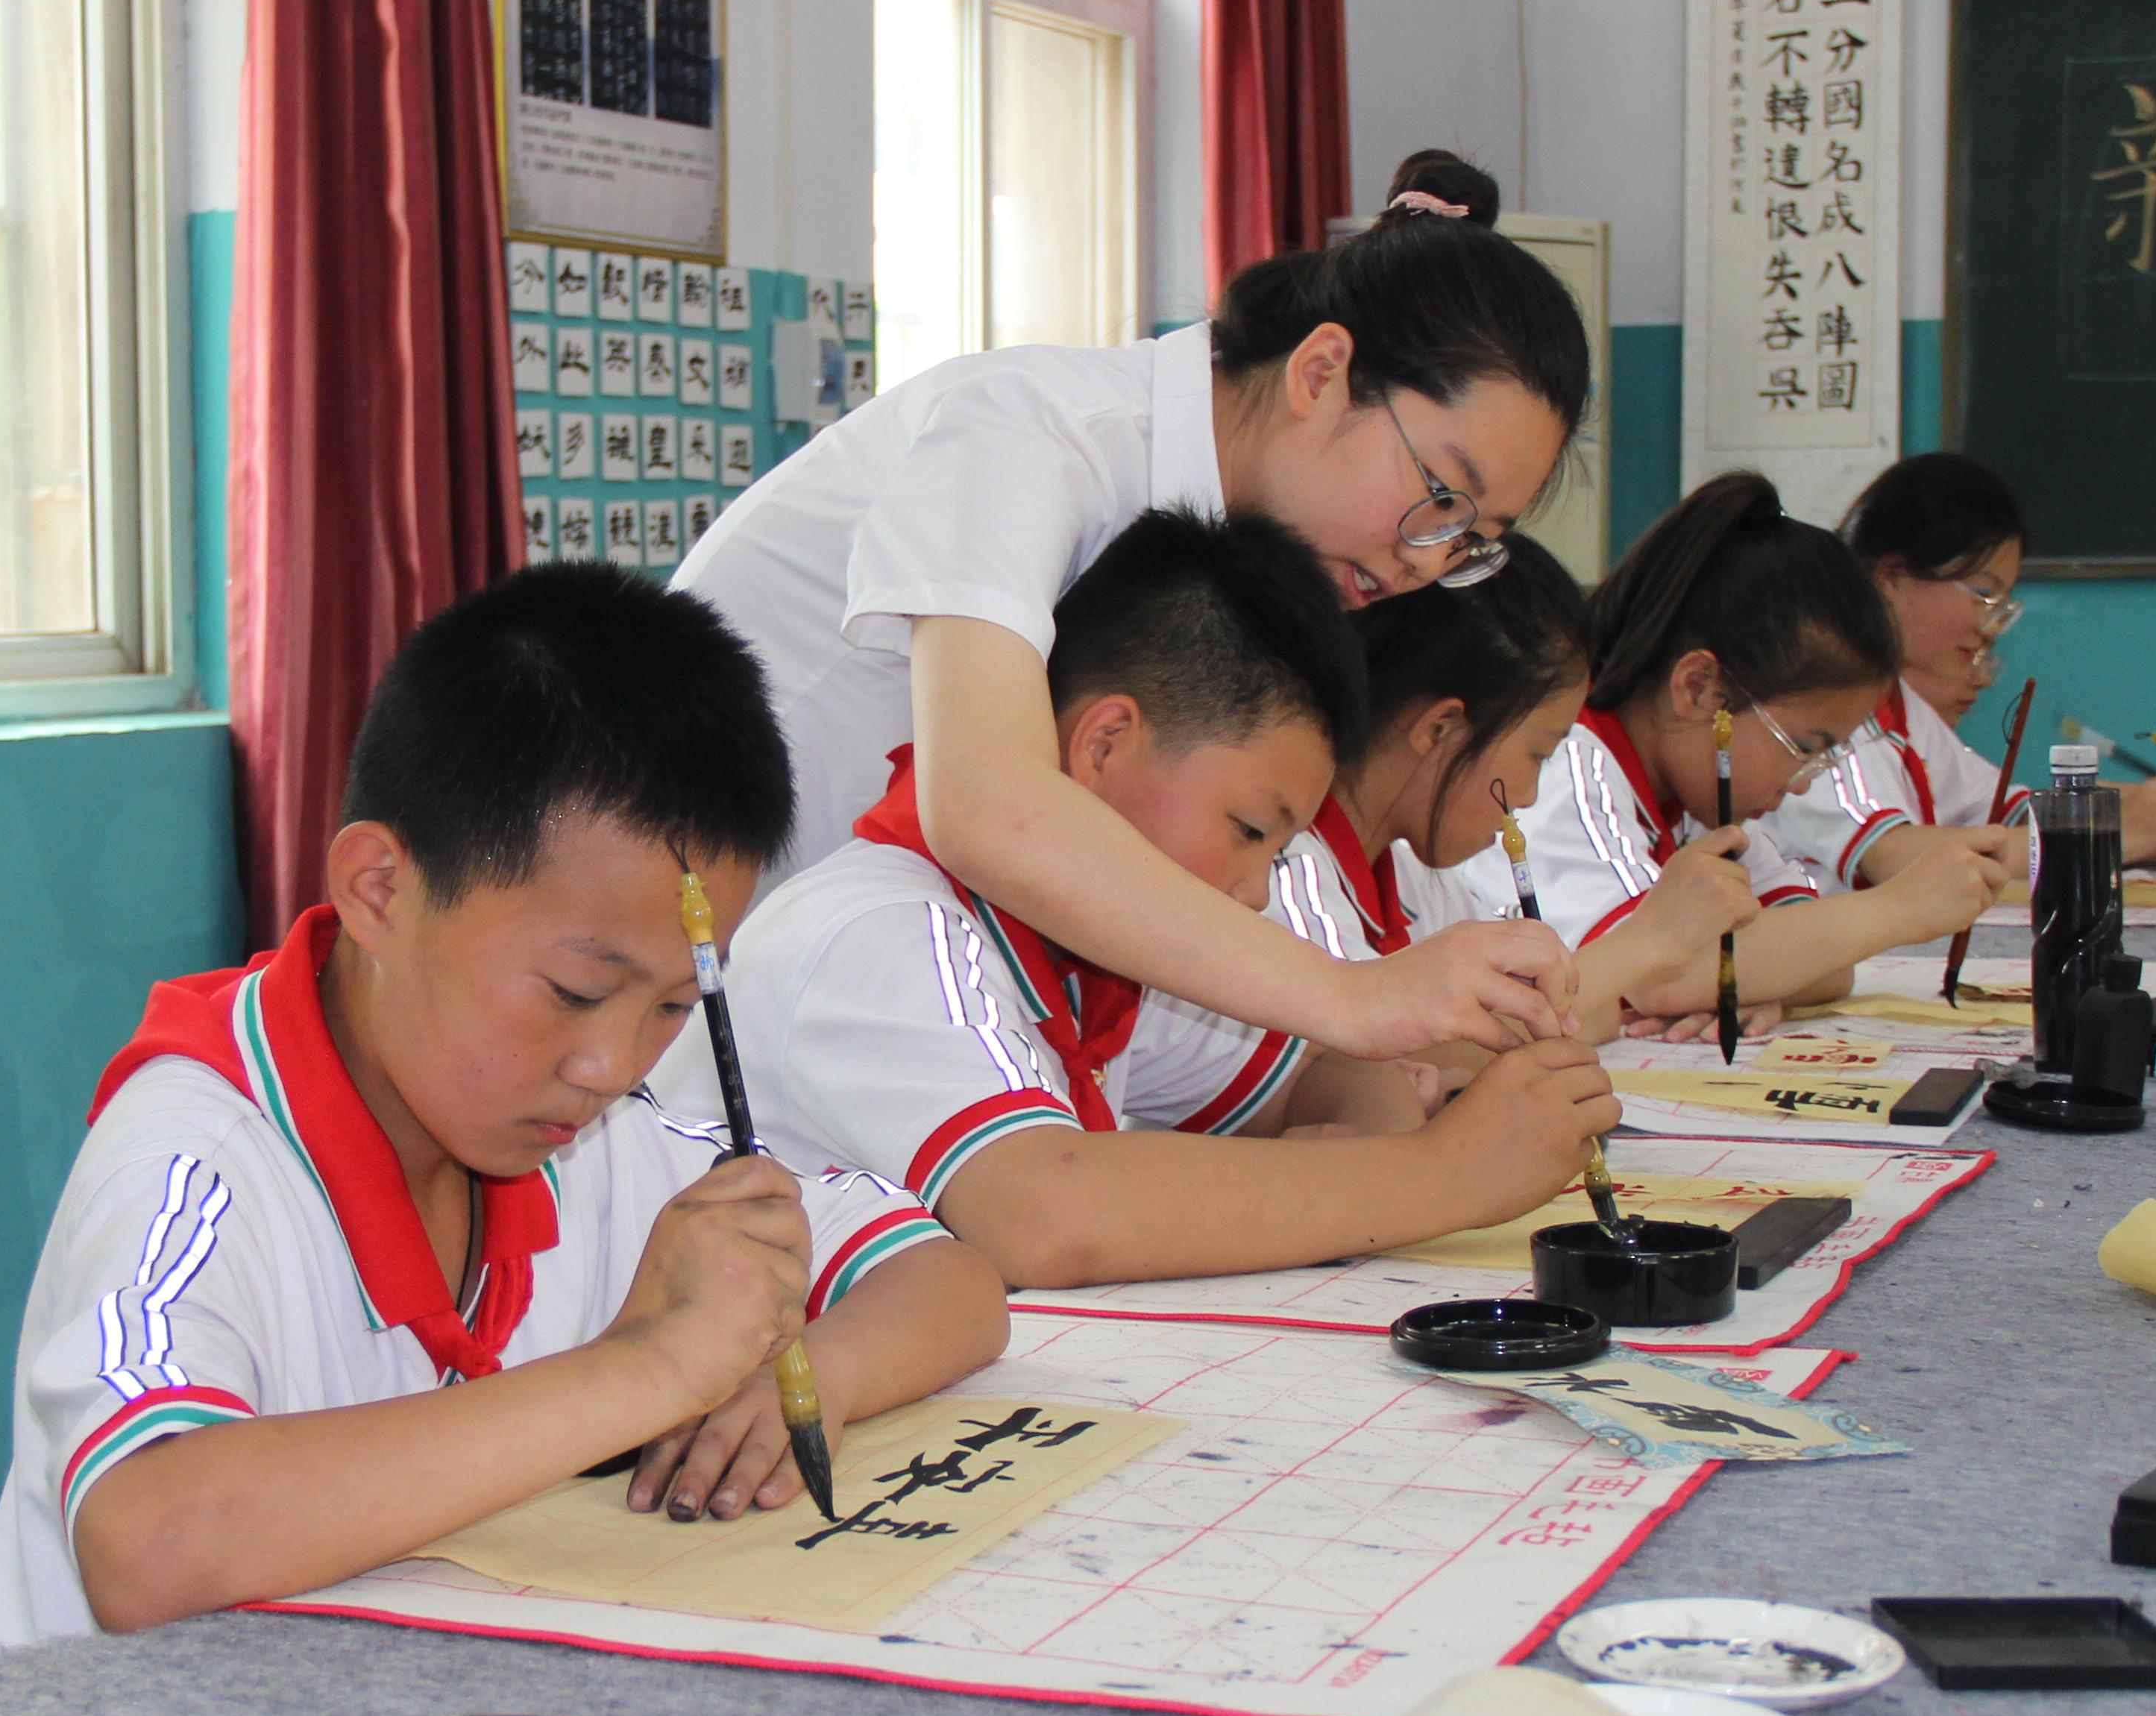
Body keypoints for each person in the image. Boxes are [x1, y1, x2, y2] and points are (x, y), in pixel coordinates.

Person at [0, 568, 1007, 1656]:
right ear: (379, 890)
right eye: (577, 993)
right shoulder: (195, 1169)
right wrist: (646, 1369)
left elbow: (949, 1280)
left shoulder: (591, 1141)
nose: (611, 1066)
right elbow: (147, 1541)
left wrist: (816, 1378)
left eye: (673, 1008)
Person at [672, 150, 1589, 1075]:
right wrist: (1351, 997)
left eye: (1473, 539)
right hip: (690, 968)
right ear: (1320, 374)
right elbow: (986, 810)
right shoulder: (1033, 435)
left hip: (844, 988)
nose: (1427, 559)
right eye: (1441, 494)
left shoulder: (1256, 555)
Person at [666, 509, 1616, 1292]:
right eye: (1250, 829)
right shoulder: (885, 930)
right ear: (1105, 744)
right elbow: (1046, 1215)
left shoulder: (1096, 956)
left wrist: (1366, 1142)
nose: (1255, 893)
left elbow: (1314, 1077)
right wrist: (1439, 1176)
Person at [1510, 475, 2014, 1016]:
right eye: (1801, 747)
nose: (1800, 784)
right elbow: (1660, 976)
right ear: (1698, 688)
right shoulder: (1572, 767)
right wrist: (1901, 909)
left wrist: (1759, 978)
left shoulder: (1703, 798)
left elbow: (1828, 967)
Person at [1283, 535, 1757, 1044]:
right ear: (1440, 729)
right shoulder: (1294, 875)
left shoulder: (1416, 880)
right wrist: (1650, 941)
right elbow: (1399, 1061)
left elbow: (1570, 1016)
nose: (1529, 797)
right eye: (1539, 754)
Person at [1770, 452, 2156, 879]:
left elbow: (2006, 816)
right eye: (1983, 594)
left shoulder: (1899, 707)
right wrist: (2105, 834)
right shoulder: (1818, 701)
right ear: (1892, 578)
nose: (1992, 627)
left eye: (2003, 604)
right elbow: (1895, 858)